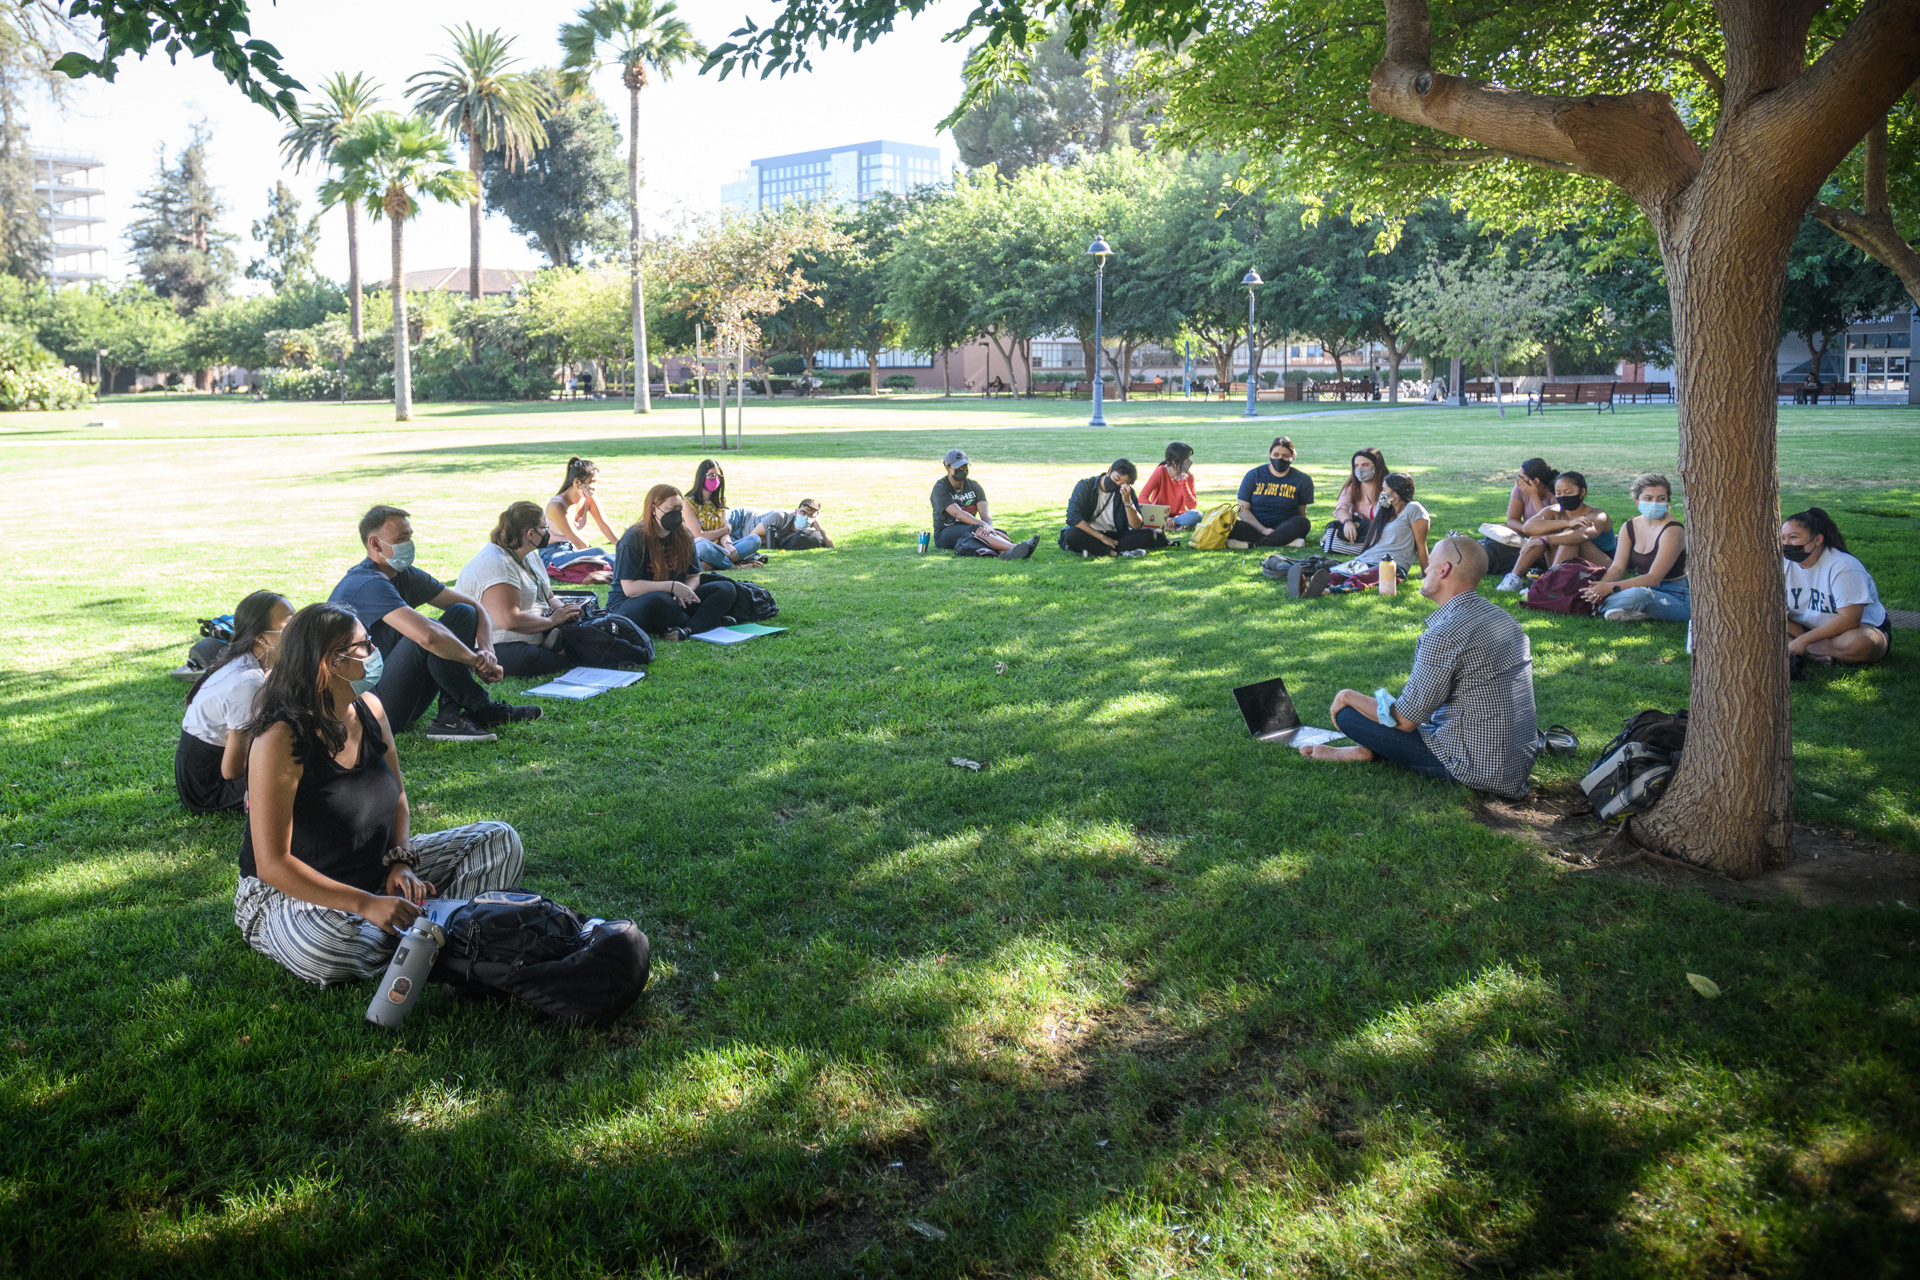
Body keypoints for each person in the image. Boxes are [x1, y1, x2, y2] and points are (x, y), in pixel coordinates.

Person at [232, 603, 527, 986]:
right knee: (332, 949)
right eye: (364, 646)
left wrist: (400, 861)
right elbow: (272, 864)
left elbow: (398, 798)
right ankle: (435, 931)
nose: (375, 653)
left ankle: (416, 932)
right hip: (293, 893)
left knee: (499, 840)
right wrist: (366, 904)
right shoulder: (280, 738)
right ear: (329, 664)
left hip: (375, 867)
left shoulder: (369, 707)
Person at [1300, 537, 1538, 799]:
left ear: (1444, 569)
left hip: (1473, 767)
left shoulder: (1445, 634)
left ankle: (1365, 748)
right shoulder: (1502, 617)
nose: (1424, 570)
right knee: (1384, 707)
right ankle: (1366, 748)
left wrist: (1346, 695)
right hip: (1515, 763)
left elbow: (1405, 721)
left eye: (1430, 564)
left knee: (1349, 713)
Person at [328, 505, 538, 744]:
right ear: (375, 544)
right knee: (425, 635)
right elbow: (427, 637)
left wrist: (487, 650)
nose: (409, 543)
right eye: (402, 538)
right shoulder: (366, 583)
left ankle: (450, 717)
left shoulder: (405, 575)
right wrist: (473, 660)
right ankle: (480, 708)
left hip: (402, 699)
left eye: (410, 536)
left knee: (462, 613)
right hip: (369, 709)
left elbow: (476, 608)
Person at [176, 590, 293, 814]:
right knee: (300, 763)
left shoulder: (249, 660)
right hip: (211, 789)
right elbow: (231, 771)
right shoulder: (246, 683)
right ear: (260, 636)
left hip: (201, 774)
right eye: (288, 623)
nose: (296, 628)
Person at [455, 501, 588, 678]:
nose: (547, 532)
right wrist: (552, 622)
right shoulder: (497, 564)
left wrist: (562, 610)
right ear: (530, 533)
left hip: (532, 629)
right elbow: (509, 620)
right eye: (544, 527)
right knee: (529, 659)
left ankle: (556, 648)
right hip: (490, 644)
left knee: (579, 633)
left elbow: (547, 595)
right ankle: (558, 652)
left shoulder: (529, 554)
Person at [607, 484, 741, 638]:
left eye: (679, 509)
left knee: (726, 588)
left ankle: (687, 629)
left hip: (674, 601)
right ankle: (706, 622)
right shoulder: (634, 538)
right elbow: (630, 589)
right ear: (653, 510)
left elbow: (693, 576)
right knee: (659, 600)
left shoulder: (684, 535)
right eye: (672, 509)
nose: (676, 514)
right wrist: (672, 587)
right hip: (631, 603)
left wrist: (685, 592)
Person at [1782, 507, 1890, 667]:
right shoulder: (1782, 563)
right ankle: (1818, 653)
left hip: (1852, 630)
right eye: (1783, 538)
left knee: (1861, 643)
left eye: (1793, 537)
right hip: (1804, 628)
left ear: (1818, 540)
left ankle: (1802, 650)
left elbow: (1850, 620)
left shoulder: (1844, 566)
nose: (1786, 544)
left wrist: (1804, 641)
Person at [1579, 474, 1689, 623]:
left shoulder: (1673, 530)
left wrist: (1610, 588)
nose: (1655, 503)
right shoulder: (1629, 526)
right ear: (1637, 501)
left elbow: (1653, 578)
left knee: (1639, 595)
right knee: (1631, 593)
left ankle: (1598, 607)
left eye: (1661, 499)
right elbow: (1618, 567)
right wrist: (1598, 589)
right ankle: (1609, 608)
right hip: (1643, 587)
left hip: (1676, 595)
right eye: (1648, 498)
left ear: (1668, 501)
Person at [1496, 469, 1617, 591]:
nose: (1563, 496)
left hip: (1603, 567)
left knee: (1569, 537)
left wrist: (1545, 540)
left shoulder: (1598, 514)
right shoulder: (1554, 511)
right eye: (1559, 493)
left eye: (1568, 492)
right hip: (1564, 564)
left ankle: (1547, 582)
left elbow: (1582, 535)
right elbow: (1528, 527)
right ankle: (1514, 577)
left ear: (1582, 492)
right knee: (1542, 530)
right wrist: (1566, 522)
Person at [930, 449, 1039, 559]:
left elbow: (985, 514)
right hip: (945, 533)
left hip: (971, 528)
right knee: (979, 529)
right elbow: (958, 514)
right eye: (958, 468)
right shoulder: (940, 488)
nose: (962, 470)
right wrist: (984, 526)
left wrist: (990, 530)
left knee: (1000, 535)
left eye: (964, 467)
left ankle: (1008, 554)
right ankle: (1017, 548)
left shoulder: (974, 486)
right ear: (947, 468)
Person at [1329, 473, 1429, 586]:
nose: (1381, 493)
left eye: (1385, 490)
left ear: (1396, 493)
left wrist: (1426, 573)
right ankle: (1311, 586)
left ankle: (1329, 590)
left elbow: (1421, 545)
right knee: (1334, 575)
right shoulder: (1383, 510)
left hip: (1391, 564)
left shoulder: (1414, 509)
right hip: (1365, 560)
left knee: (1359, 579)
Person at [1059, 459, 1171, 557]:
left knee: (1156, 534)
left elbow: (1136, 525)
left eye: (1121, 484)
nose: (1117, 484)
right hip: (1090, 533)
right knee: (1071, 534)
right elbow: (1072, 517)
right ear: (1109, 470)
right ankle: (1115, 552)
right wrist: (1102, 538)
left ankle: (1095, 550)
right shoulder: (1085, 486)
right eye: (1116, 479)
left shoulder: (1127, 492)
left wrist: (1128, 502)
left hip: (1115, 535)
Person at [1229, 436, 1315, 548]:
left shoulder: (1303, 480)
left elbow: (1301, 512)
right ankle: (1284, 542)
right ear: (1270, 454)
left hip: (1284, 526)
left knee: (1303, 523)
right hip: (1254, 526)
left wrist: (1296, 529)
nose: (1280, 459)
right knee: (1227, 524)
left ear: (1293, 456)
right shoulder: (1254, 475)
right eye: (1276, 455)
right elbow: (1242, 509)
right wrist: (1263, 530)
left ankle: (1253, 544)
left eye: (1285, 456)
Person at [542, 456, 618, 583]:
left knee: (612, 556)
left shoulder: (589, 498)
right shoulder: (556, 506)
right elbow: (579, 542)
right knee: (598, 552)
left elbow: (605, 525)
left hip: (574, 552)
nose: (594, 486)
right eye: (591, 482)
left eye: (596, 482)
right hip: (554, 556)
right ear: (577, 482)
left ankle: (633, 567)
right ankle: (631, 571)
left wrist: (624, 548)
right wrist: (599, 555)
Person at [689, 459, 767, 570]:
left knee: (754, 540)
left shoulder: (719, 501)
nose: (715, 479)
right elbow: (700, 536)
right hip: (700, 548)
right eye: (711, 475)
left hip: (721, 549)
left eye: (718, 476)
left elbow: (724, 531)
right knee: (703, 547)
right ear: (702, 476)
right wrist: (726, 530)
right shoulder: (688, 503)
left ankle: (714, 563)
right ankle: (734, 566)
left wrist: (728, 544)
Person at [1320, 448, 1388, 554]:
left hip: (1381, 528)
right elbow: (1341, 507)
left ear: (1377, 466)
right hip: (1359, 527)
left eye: (1365, 465)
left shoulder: (1388, 486)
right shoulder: (1353, 485)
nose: (1360, 469)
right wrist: (1348, 522)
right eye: (1356, 466)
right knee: (1336, 525)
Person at [1139, 442, 1203, 529]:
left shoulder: (1189, 477)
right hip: (1159, 514)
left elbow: (1192, 506)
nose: (1190, 462)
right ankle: (1169, 525)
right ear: (1175, 462)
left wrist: (1183, 483)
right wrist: (1161, 516)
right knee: (1139, 514)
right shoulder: (1161, 471)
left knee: (1197, 515)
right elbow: (1142, 496)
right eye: (1187, 459)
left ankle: (1169, 524)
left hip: (1179, 517)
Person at [1503, 458, 1558, 533]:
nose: (1519, 481)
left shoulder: (1557, 492)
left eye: (1522, 477)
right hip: (1528, 533)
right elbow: (1512, 520)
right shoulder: (1519, 488)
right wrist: (1527, 529)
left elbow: (1545, 522)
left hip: (1550, 537)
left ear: (1535, 481)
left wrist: (1533, 496)